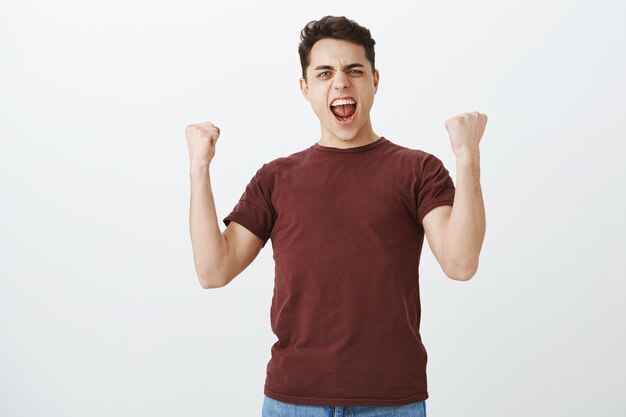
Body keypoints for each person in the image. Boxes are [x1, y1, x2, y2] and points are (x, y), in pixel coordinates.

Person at [185, 15, 487, 417]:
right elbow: (213, 270)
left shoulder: (418, 170)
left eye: (354, 71)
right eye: (324, 73)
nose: (340, 83)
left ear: (375, 81)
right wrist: (199, 168)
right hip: (293, 400)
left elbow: (461, 262)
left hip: (391, 401)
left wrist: (467, 157)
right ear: (305, 88)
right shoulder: (277, 177)